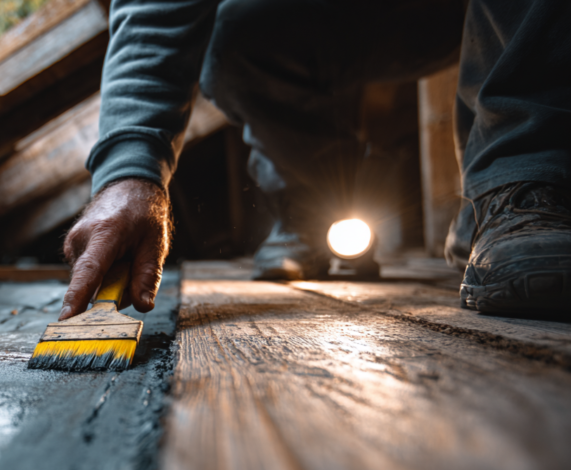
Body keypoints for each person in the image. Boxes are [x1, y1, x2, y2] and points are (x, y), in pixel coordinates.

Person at [57, 0, 571, 322]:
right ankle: (306, 209)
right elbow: (155, 14)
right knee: (231, 36)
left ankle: (521, 176)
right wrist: (130, 172)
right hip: (317, 14)